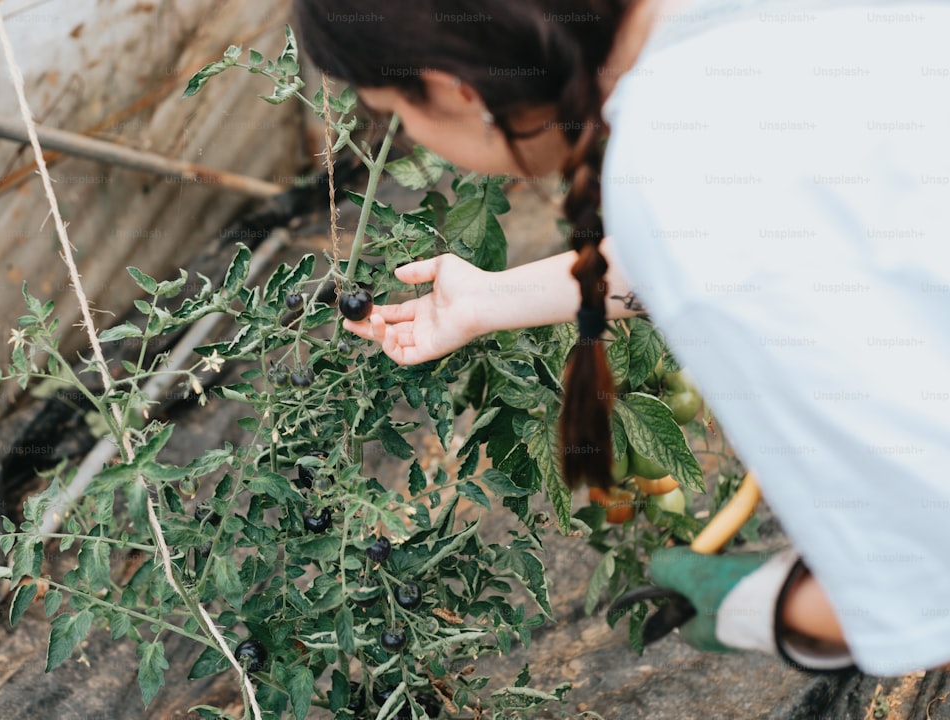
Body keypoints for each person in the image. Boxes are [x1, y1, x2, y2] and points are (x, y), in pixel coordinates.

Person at [292, 0, 950, 676]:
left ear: (456, 87)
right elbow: (755, 237)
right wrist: (489, 299)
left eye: (396, 115)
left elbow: (930, 565)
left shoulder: (676, 173)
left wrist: (765, 609)